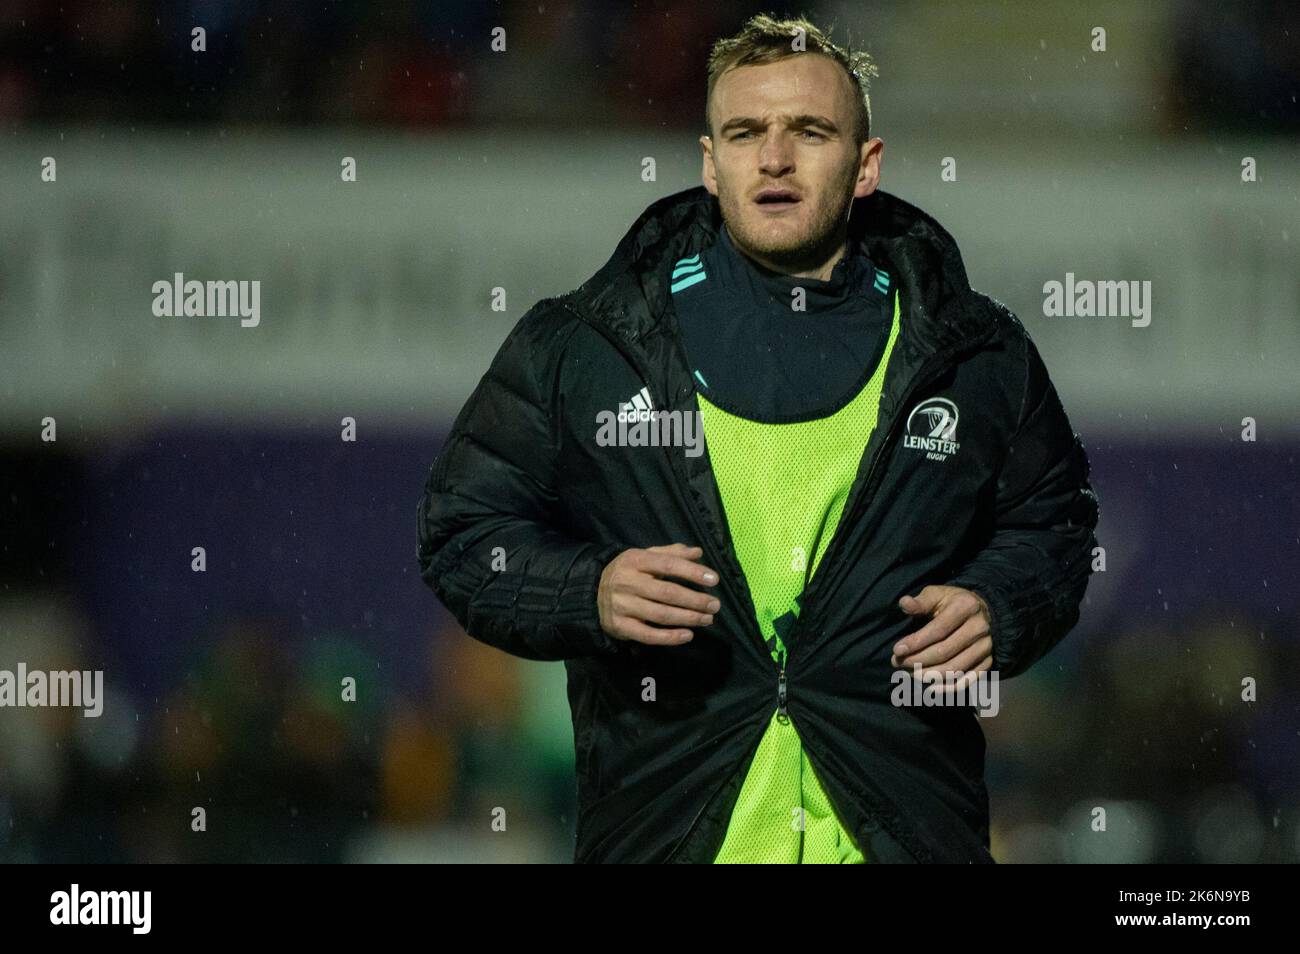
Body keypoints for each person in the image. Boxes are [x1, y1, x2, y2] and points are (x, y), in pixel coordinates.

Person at [417, 13, 1100, 863]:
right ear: (711, 163)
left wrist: (1001, 603)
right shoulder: (586, 348)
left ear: (866, 165)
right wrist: (586, 592)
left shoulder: (973, 353)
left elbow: (1055, 529)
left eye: (810, 132)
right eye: (745, 133)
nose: (774, 157)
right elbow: (462, 533)